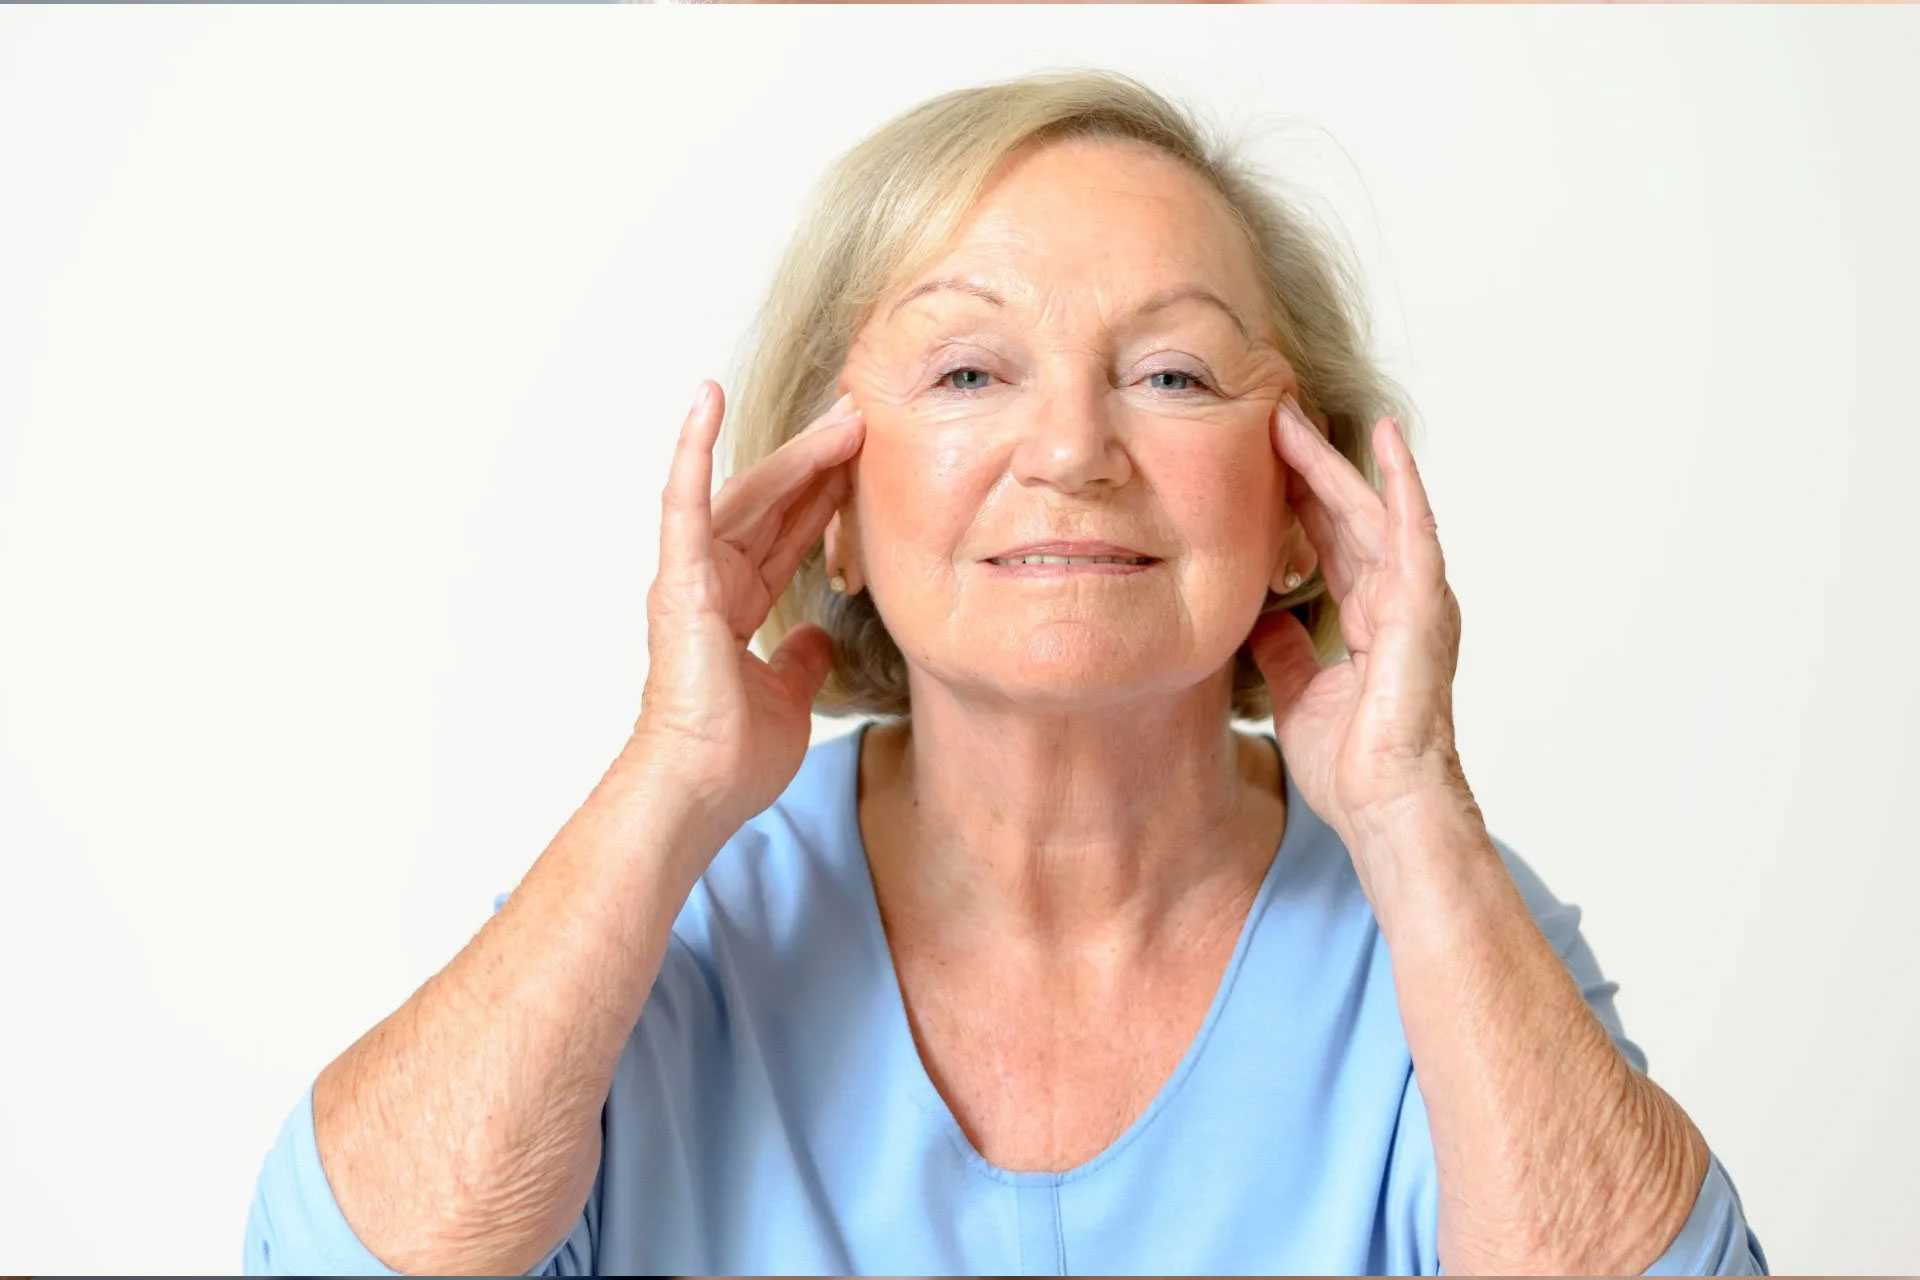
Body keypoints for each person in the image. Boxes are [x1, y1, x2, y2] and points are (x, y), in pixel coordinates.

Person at [243, 69, 1766, 1276]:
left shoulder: (1439, 927)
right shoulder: (671, 923)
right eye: (971, 372)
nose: (1070, 454)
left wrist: (1416, 810)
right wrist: (667, 780)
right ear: (828, 504)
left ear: (1303, 500)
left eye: (1170, 374)